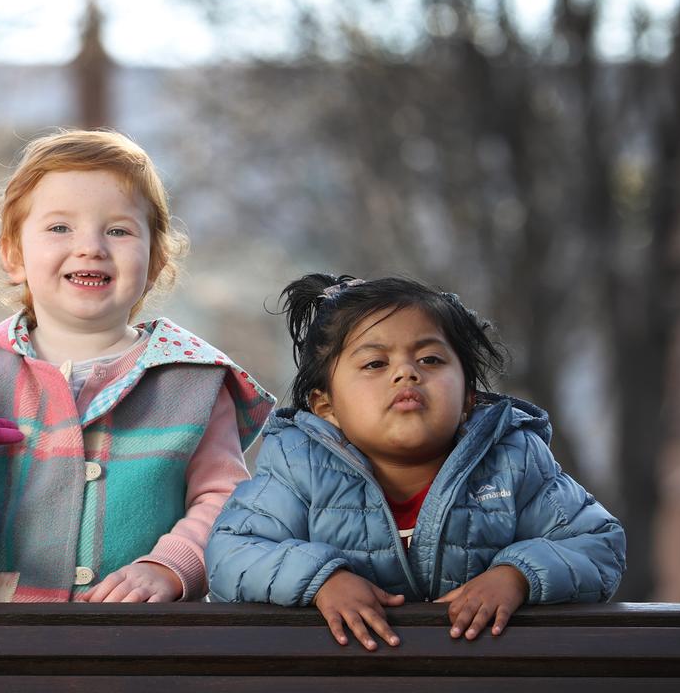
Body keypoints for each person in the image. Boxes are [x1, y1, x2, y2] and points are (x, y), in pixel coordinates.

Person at [0, 129, 275, 602]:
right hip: (1, 647)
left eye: (118, 230)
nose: (91, 247)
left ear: (157, 260)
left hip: (144, 650)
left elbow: (225, 500)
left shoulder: (193, 381)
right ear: (14, 255)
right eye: (60, 228)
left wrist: (170, 567)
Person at [206, 274, 625, 648]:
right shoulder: (299, 464)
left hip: (480, 674)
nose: (406, 373)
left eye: (430, 359)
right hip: (344, 675)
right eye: (375, 363)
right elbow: (231, 554)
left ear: (468, 399)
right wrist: (322, 581)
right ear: (325, 406)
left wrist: (517, 576)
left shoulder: (511, 460)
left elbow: (598, 545)